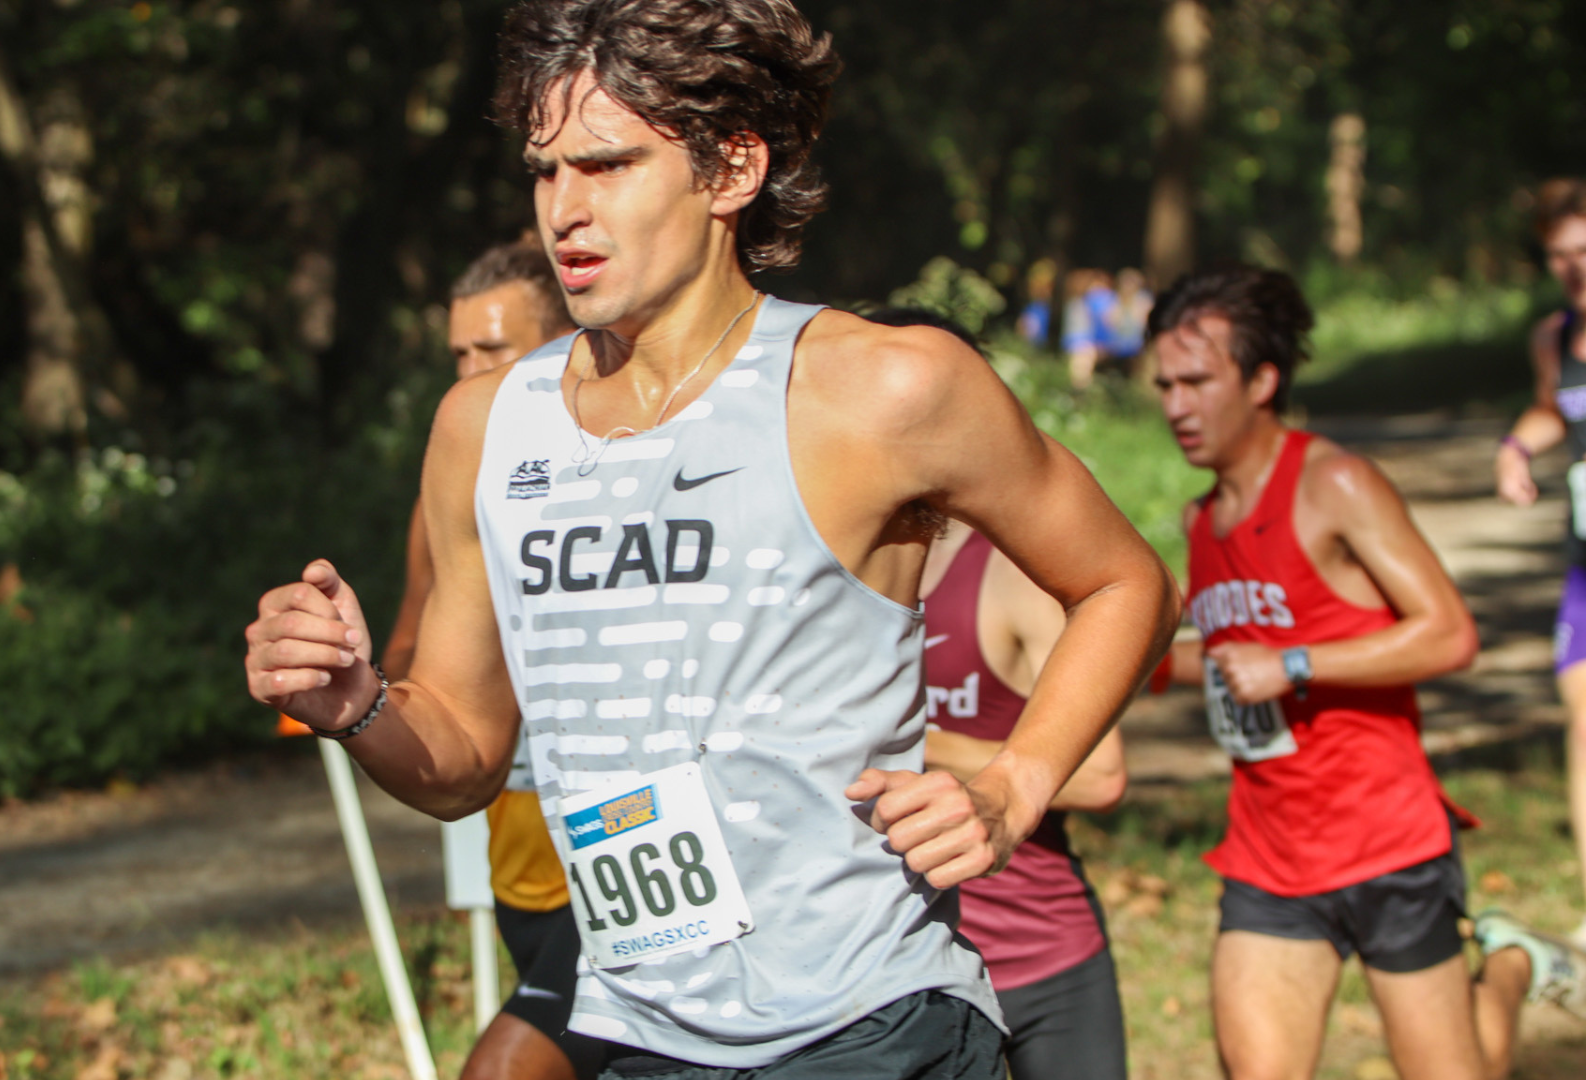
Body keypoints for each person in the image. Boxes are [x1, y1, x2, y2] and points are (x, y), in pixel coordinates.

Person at [246, 2, 1176, 1077]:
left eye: (608, 166)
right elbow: (461, 761)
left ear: (731, 171)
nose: (566, 212)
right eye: (546, 172)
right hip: (638, 1030)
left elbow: (1125, 584)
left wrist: (1016, 786)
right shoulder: (484, 426)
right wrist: (354, 702)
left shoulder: (883, 386)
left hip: (869, 1021)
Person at [1153, 263, 1582, 1080]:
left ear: (1263, 378)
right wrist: (1141, 663)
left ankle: (1514, 965)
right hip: (1269, 855)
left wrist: (1295, 664)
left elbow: (1451, 634)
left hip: (1388, 843)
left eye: (1197, 381)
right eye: (1164, 384)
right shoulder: (1199, 520)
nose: (1176, 405)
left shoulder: (1335, 482)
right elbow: (1227, 658)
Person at [872, 306, 1131, 1080]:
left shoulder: (1009, 573)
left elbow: (1103, 773)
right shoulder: (816, 575)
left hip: (1042, 958)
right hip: (899, 974)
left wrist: (905, 738)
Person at [379, 238, 601, 1080]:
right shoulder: (455, 476)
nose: (468, 372)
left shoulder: (619, 467)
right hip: (518, 864)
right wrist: (373, 689)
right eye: (458, 353)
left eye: (492, 350)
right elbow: (408, 644)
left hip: (617, 863)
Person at [1494, 177, 1586, 946]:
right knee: (1582, 719)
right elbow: (1553, 407)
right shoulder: (1555, 336)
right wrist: (1516, 446)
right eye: (1560, 256)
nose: (1574, 267)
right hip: (1583, 561)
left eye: (1584, 250)